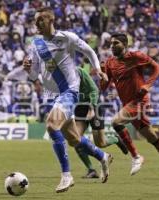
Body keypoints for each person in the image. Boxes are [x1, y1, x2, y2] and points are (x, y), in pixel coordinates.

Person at [23, 7, 112, 193]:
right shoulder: (36, 44)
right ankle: (102, 156)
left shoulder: (67, 38)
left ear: (50, 21)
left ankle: (66, 175)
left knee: (51, 125)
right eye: (35, 20)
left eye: (40, 20)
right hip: (50, 95)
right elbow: (34, 76)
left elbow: (89, 51)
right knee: (73, 139)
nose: (37, 23)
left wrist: (98, 69)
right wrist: (28, 69)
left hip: (69, 91)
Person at [100, 33, 159, 183]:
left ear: (125, 45)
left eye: (116, 43)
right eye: (111, 44)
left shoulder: (135, 56)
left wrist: (148, 85)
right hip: (128, 104)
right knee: (153, 138)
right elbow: (103, 87)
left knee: (115, 122)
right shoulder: (109, 63)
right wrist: (102, 75)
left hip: (139, 101)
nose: (112, 46)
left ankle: (136, 156)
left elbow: (156, 68)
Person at [62, 67, 128, 178]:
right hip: (80, 108)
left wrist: (91, 108)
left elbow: (94, 89)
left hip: (94, 106)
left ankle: (116, 139)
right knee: (75, 139)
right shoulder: (61, 76)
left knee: (100, 143)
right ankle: (91, 170)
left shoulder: (79, 72)